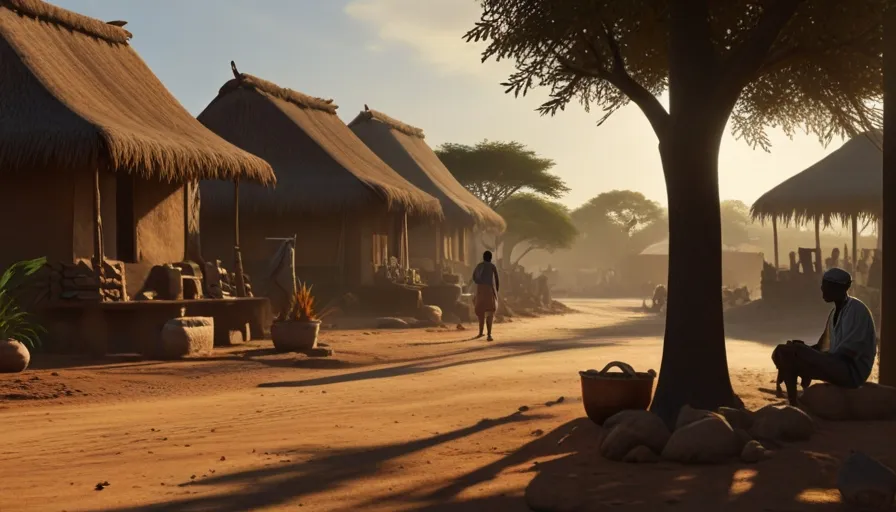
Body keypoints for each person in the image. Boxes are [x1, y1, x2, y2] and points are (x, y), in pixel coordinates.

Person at [772, 268, 877, 406]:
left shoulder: (857, 310)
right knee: (785, 351)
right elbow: (823, 347)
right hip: (836, 363)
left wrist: (804, 352)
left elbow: (847, 353)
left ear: (838, 288)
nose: (822, 289)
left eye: (825, 285)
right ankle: (793, 404)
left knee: (793, 350)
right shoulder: (835, 312)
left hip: (852, 371)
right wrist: (805, 350)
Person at [471, 251, 500, 341]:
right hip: (489, 290)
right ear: (490, 258)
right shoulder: (492, 266)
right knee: (490, 313)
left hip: (480, 290)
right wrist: (496, 291)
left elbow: (474, 277)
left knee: (481, 312)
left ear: (483, 257)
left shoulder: (479, 266)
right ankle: (489, 334)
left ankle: (480, 332)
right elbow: (496, 279)